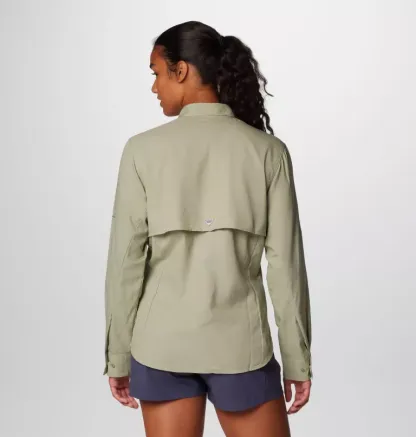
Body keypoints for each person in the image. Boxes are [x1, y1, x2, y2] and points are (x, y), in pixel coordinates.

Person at [103, 20, 313, 437]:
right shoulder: (268, 152)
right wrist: (297, 360)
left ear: (181, 70)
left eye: (157, 73)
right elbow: (286, 270)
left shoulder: (141, 151)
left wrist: (118, 356)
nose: (154, 87)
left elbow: (125, 264)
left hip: (160, 347)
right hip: (241, 347)